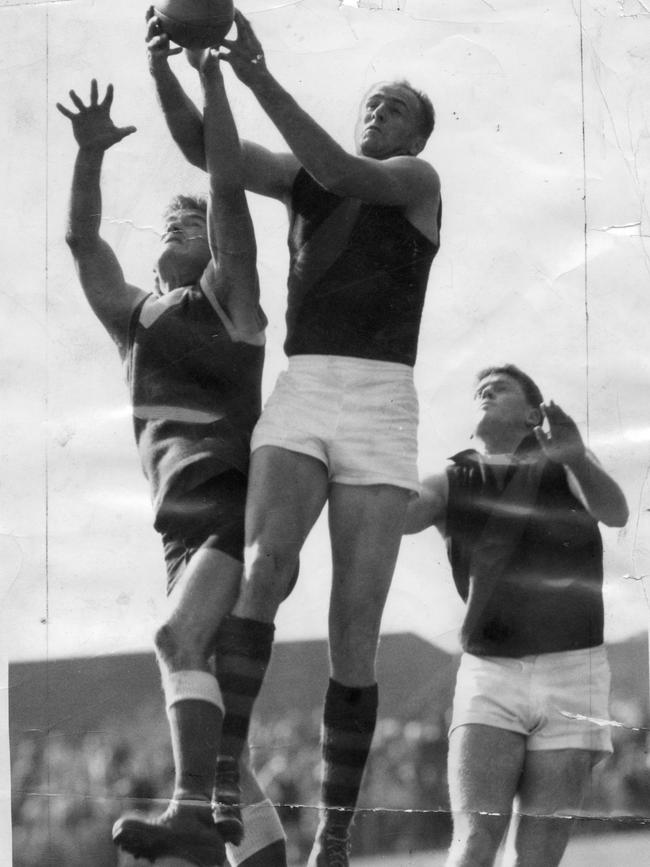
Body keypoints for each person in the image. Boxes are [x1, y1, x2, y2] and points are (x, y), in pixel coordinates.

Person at [146, 9, 442, 865]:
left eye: (394, 108)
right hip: (308, 385)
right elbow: (213, 154)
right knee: (266, 566)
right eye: (373, 103)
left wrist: (256, 73)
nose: (378, 113)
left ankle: (336, 834)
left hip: (383, 405)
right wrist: (186, 71)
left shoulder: (415, 181)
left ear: (416, 134)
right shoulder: (308, 178)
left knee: (355, 628)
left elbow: (336, 163)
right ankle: (212, 792)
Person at [57, 56, 287, 867]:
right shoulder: (134, 318)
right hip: (176, 534)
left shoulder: (229, 299)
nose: (182, 225)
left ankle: (190, 812)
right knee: (231, 746)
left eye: (194, 224)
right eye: (170, 223)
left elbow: (226, 193)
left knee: (173, 640)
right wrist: (90, 152)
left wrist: (210, 85)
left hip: (235, 504)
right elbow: (84, 242)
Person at [405, 364, 629, 867]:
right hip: (490, 671)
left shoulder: (564, 463)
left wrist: (577, 459)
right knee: (473, 846)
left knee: (537, 858)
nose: (485, 389)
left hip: (575, 671)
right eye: (479, 388)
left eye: (500, 386)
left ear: (533, 414)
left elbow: (615, 512)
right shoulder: (449, 477)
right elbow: (397, 516)